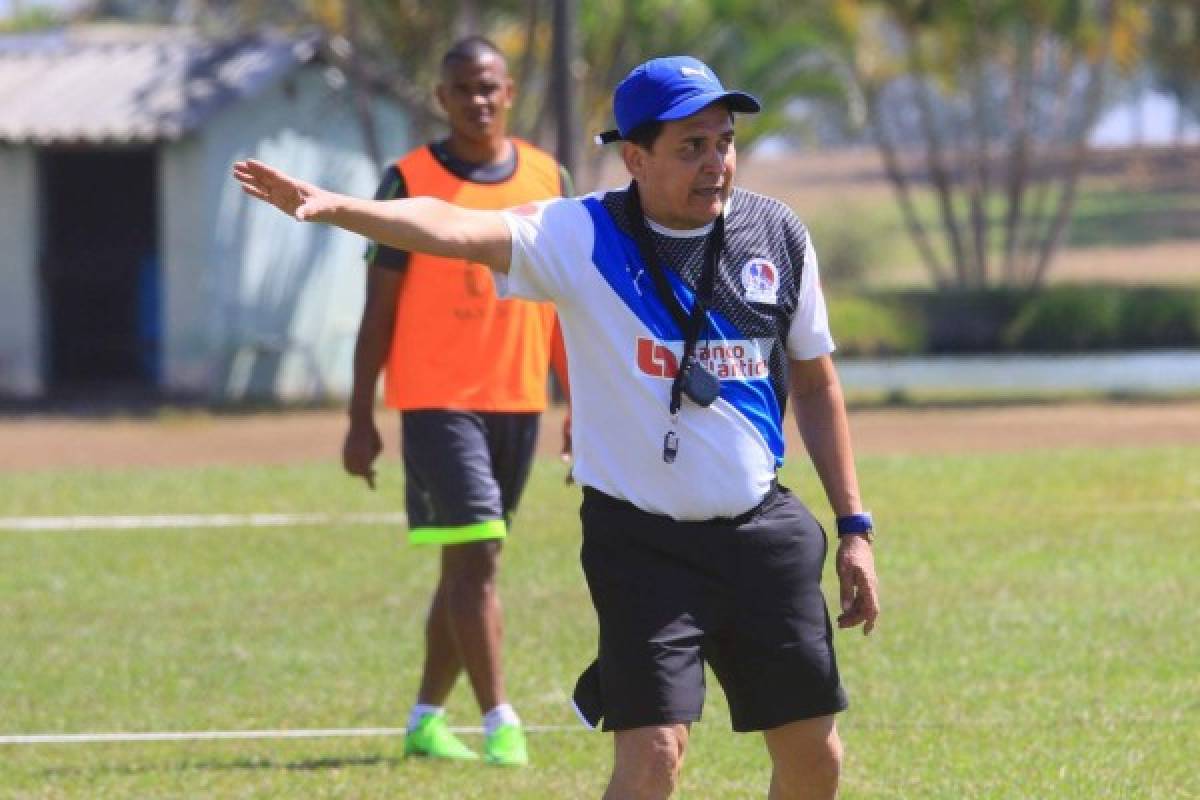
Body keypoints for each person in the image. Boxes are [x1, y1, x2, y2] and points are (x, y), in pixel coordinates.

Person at [235, 54, 880, 800]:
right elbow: (452, 226)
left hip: (762, 533)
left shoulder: (777, 234)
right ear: (634, 157)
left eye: (724, 142)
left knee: (814, 757)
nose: (716, 164)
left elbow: (815, 381)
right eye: (690, 147)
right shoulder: (581, 236)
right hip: (643, 545)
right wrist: (338, 205)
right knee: (655, 756)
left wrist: (854, 528)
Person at [341, 36, 571, 768]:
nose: (479, 99)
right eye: (463, 88)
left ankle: (424, 721)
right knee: (481, 555)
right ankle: (502, 720)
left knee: (463, 566)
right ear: (441, 99)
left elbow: (568, 299)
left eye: (490, 86)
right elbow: (378, 309)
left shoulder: (547, 175)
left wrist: (580, 400)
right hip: (437, 402)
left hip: (519, 401)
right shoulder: (406, 179)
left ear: (508, 92)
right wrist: (359, 418)